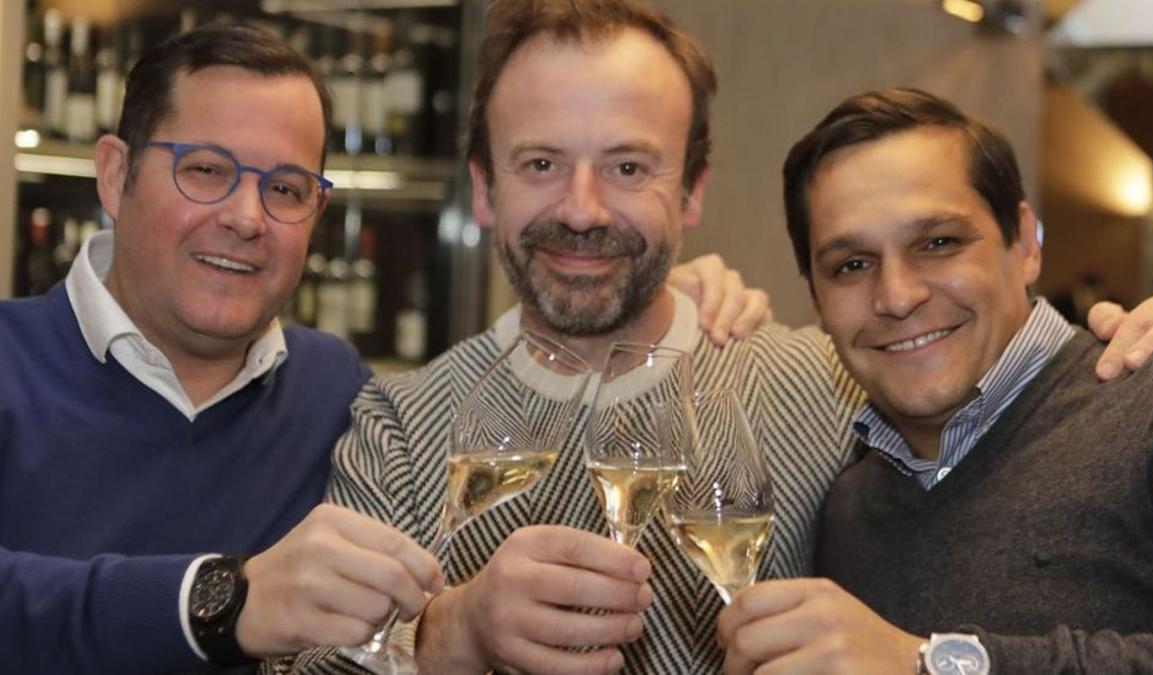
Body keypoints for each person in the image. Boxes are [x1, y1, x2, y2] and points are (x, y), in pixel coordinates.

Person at [315, 4, 1153, 675]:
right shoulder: (396, 421)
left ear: (692, 192)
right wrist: (446, 634)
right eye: (540, 163)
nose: (582, 209)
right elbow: (301, 657)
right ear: (483, 187)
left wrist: (1152, 345)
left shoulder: (836, 384)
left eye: (629, 166)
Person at [0, 23, 766, 675]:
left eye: (288, 188)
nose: (245, 217)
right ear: (114, 173)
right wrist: (222, 599)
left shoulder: (338, 393)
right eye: (206, 170)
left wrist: (663, 290)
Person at [717, 88, 1153, 674]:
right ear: (816, 300)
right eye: (851, 265)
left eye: (939, 243)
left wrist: (934, 662)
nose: (897, 297)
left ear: (1023, 243)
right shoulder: (850, 505)